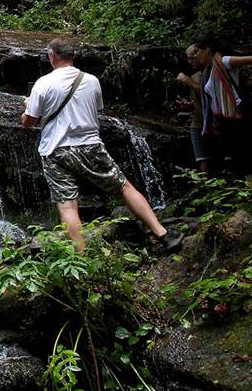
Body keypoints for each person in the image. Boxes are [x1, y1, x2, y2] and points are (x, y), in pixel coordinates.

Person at [22, 37, 182, 251]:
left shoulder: (43, 83)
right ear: (73, 55)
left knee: (68, 205)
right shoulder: (91, 81)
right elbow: (94, 110)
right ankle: (163, 234)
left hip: (55, 151)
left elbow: (28, 122)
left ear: (52, 55)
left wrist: (28, 106)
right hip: (90, 145)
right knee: (124, 187)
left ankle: (81, 259)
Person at [187, 38, 252, 180]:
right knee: (238, 160)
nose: (195, 55)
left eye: (197, 51)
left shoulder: (223, 61)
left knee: (245, 160)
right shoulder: (208, 71)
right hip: (224, 120)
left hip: (237, 116)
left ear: (207, 49)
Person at [175, 45, 214, 174]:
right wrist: (189, 104)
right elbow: (199, 100)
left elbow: (210, 92)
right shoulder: (195, 76)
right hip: (197, 122)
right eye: (189, 59)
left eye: (192, 58)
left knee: (225, 157)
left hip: (214, 121)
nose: (190, 61)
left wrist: (188, 82)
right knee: (202, 159)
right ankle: (204, 184)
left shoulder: (213, 72)